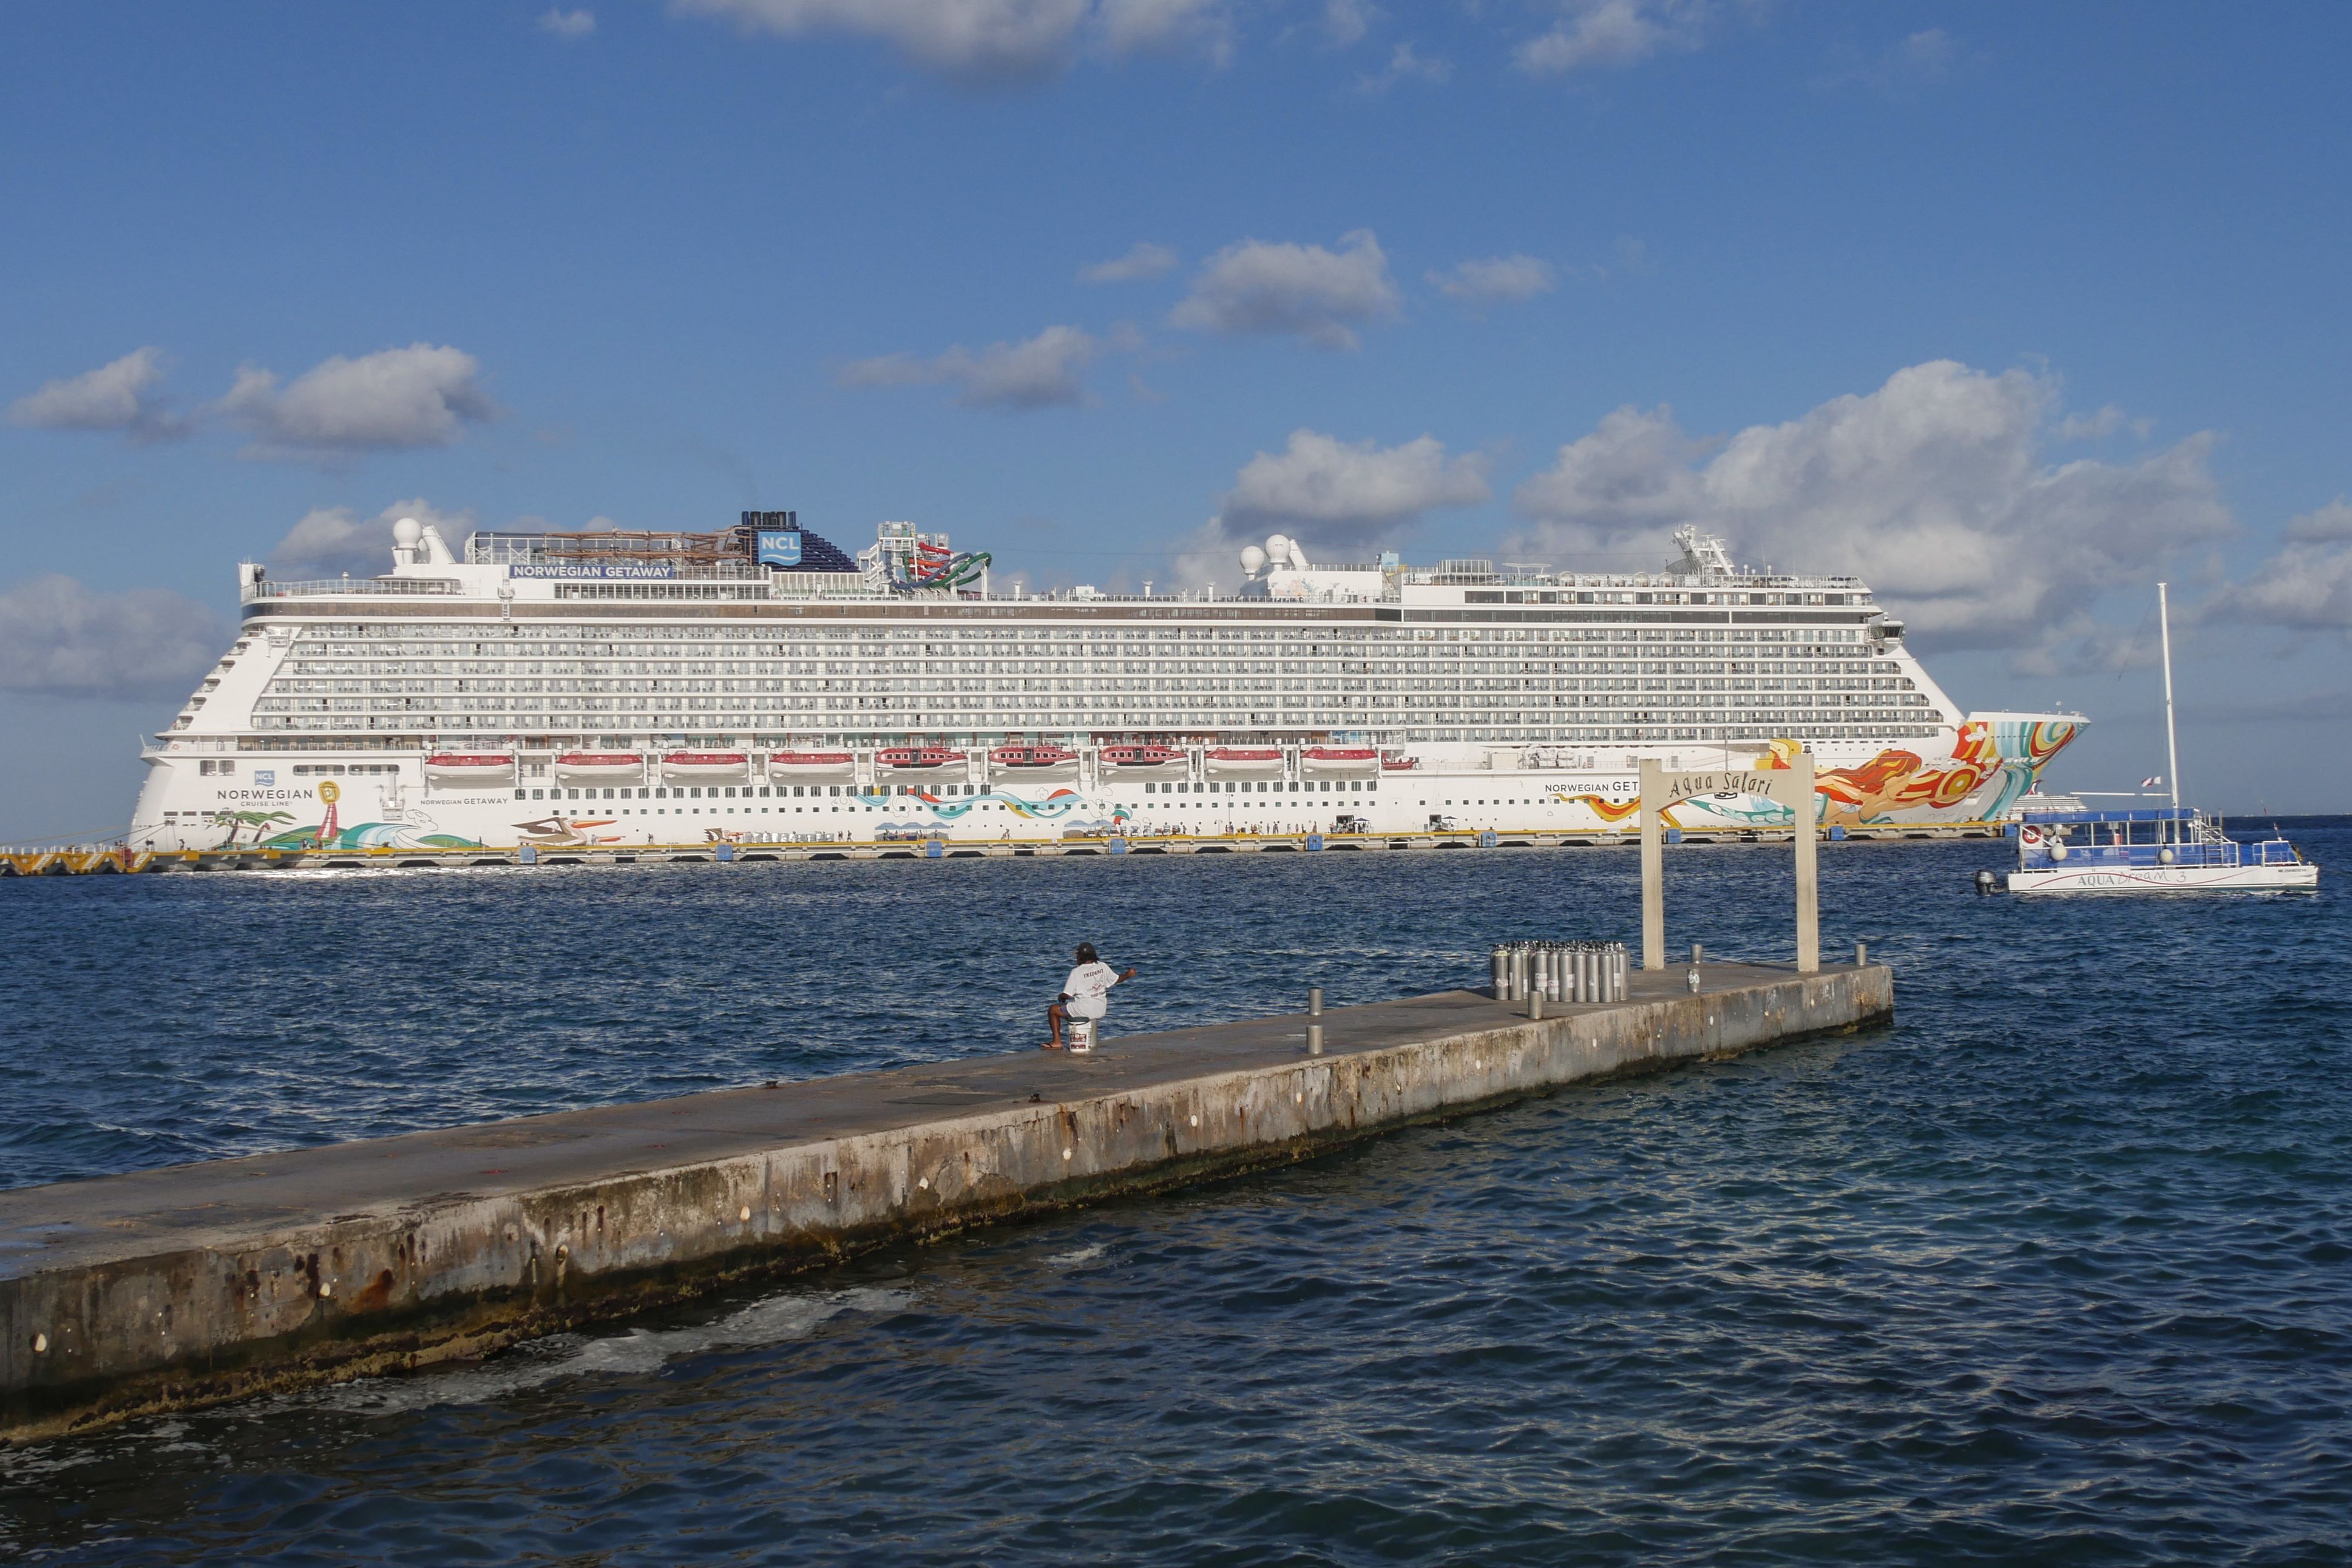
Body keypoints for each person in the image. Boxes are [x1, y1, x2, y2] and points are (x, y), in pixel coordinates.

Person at [1043, 942, 1136, 1050]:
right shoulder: (1102, 966)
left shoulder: (1077, 972)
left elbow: (1068, 995)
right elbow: (1116, 979)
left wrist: (1061, 996)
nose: (1076, 958)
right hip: (1101, 1009)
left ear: (1081, 957)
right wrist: (1128, 975)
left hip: (1085, 1010)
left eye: (1077, 955)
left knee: (1053, 1010)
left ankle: (1057, 1042)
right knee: (1073, 1007)